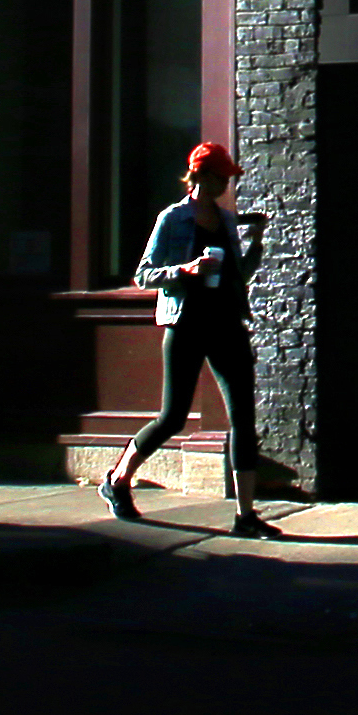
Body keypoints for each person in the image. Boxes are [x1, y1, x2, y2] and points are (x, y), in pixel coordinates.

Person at [101, 139, 271, 534]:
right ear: (202, 177)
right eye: (222, 178)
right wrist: (185, 270)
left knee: (243, 418)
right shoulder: (173, 219)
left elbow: (237, 277)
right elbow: (144, 274)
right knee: (173, 417)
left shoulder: (227, 220)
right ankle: (117, 480)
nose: (227, 186)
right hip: (186, 324)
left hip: (227, 323)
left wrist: (258, 242)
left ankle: (246, 516)